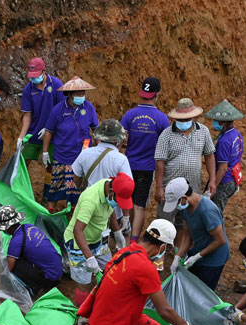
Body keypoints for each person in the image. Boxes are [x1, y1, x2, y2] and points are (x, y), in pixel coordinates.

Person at [63, 172, 135, 307]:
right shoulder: (90, 200)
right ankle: (82, 312)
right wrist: (89, 258)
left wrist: (117, 232)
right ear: (111, 191)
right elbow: (77, 230)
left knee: (108, 270)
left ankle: (100, 302)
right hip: (78, 243)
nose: (118, 204)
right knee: (84, 283)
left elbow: (110, 209)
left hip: (99, 239)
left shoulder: (110, 186)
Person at [120, 77, 170, 241]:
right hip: (147, 168)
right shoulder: (162, 119)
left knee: (127, 200)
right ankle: (133, 240)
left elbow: (121, 141)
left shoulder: (130, 115)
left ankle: (125, 232)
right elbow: (165, 148)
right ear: (157, 95)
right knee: (139, 205)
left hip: (128, 166)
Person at [41, 76, 100, 211]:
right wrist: (45, 152)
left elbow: (95, 130)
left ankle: (74, 220)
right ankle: (52, 216)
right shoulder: (58, 110)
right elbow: (49, 131)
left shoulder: (89, 108)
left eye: (83, 93)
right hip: (61, 156)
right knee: (54, 191)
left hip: (82, 158)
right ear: (69, 94)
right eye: (78, 93)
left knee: (78, 194)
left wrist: (98, 150)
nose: (81, 96)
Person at [72, 119, 133, 247]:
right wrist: (126, 217)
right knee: (124, 236)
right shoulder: (121, 160)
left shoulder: (85, 153)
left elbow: (76, 178)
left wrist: (84, 192)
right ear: (118, 141)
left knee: (90, 238)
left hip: (90, 206)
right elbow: (126, 189)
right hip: (114, 209)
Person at [153, 98, 215, 221]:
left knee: (189, 223)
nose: (183, 122)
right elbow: (160, 162)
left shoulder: (203, 131)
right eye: (180, 120)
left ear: (194, 118)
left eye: (186, 119)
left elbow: (209, 155)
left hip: (193, 188)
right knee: (165, 220)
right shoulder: (166, 134)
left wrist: (212, 179)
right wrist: (159, 187)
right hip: (169, 189)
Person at [162, 178, 228, 291]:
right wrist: (178, 256)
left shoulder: (207, 211)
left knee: (203, 293)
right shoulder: (185, 208)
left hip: (213, 259)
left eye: (176, 203)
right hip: (198, 251)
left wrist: (197, 256)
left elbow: (220, 240)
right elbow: (187, 234)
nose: (176, 207)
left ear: (184, 198)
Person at [0, 205, 62, 297]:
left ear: (7, 228)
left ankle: (35, 287)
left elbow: (8, 269)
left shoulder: (16, 241)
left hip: (49, 278)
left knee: (14, 265)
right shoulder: (29, 227)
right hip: (57, 270)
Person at [16, 58, 65, 167]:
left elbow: (62, 111)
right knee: (23, 163)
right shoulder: (28, 89)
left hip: (53, 134)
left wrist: (49, 128)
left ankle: (48, 185)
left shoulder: (56, 84)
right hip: (34, 132)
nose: (34, 78)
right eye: (31, 76)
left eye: (36, 75)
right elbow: (27, 115)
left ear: (44, 71)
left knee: (51, 165)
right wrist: (21, 137)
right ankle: (22, 184)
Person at [205, 99, 245, 214]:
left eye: (216, 121)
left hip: (224, 181)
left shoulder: (224, 141)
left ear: (223, 122)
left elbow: (222, 168)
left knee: (214, 214)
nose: (214, 123)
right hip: (233, 178)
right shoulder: (236, 134)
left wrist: (213, 187)